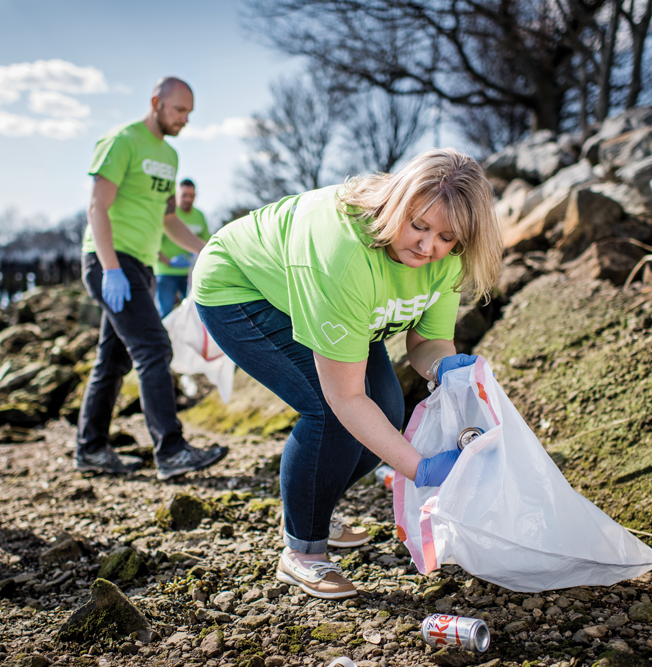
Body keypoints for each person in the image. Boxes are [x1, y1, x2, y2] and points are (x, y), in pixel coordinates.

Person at [192, 149, 502, 599]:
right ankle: (303, 551)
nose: (427, 246)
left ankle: (311, 501)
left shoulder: (445, 259)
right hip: (240, 289)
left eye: (446, 237)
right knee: (329, 413)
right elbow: (345, 399)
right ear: (397, 204)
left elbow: (426, 343)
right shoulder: (343, 255)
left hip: (329, 300)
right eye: (418, 225)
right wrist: (419, 468)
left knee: (389, 411)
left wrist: (446, 368)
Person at [76, 76, 228, 480]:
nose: (184, 120)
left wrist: (206, 248)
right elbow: (97, 208)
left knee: (112, 360)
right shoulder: (122, 141)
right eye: (179, 110)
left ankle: (90, 448)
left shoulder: (170, 157)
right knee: (154, 348)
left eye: (189, 114)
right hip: (110, 261)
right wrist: (109, 268)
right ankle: (171, 450)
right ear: (156, 102)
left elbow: (168, 220)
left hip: (140, 266)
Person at [154, 178, 211, 317]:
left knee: (193, 312)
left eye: (191, 196)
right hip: (165, 273)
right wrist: (167, 261)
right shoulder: (169, 216)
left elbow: (206, 241)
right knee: (165, 311)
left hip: (190, 274)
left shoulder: (199, 216)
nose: (187, 199)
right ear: (177, 195)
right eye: (184, 195)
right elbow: (154, 243)